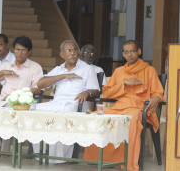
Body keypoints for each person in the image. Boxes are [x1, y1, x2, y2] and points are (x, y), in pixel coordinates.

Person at [83, 40, 164, 171]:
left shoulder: (149, 70)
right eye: (126, 52)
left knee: (130, 119)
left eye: (132, 51)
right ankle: (99, 159)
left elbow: (158, 93)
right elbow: (107, 93)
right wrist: (124, 84)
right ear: (123, 54)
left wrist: (156, 97)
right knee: (95, 116)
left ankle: (126, 161)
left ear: (139, 51)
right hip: (119, 107)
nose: (129, 54)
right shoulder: (119, 72)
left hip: (139, 109)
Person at [33, 40, 99, 164]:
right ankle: (41, 155)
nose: (73, 53)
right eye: (69, 50)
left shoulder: (87, 69)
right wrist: (63, 76)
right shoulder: (59, 69)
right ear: (62, 54)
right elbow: (40, 83)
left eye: (75, 50)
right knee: (34, 110)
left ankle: (62, 158)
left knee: (64, 113)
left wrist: (87, 93)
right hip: (57, 103)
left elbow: (95, 90)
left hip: (76, 105)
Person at [0, 36, 43, 155]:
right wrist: (2, 73)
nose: (19, 53)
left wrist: (22, 94)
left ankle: (5, 152)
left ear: (30, 52)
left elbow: (38, 89)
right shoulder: (7, 66)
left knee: (9, 115)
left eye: (23, 50)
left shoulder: (35, 67)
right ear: (13, 50)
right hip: (0, 100)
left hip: (19, 104)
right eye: (17, 49)